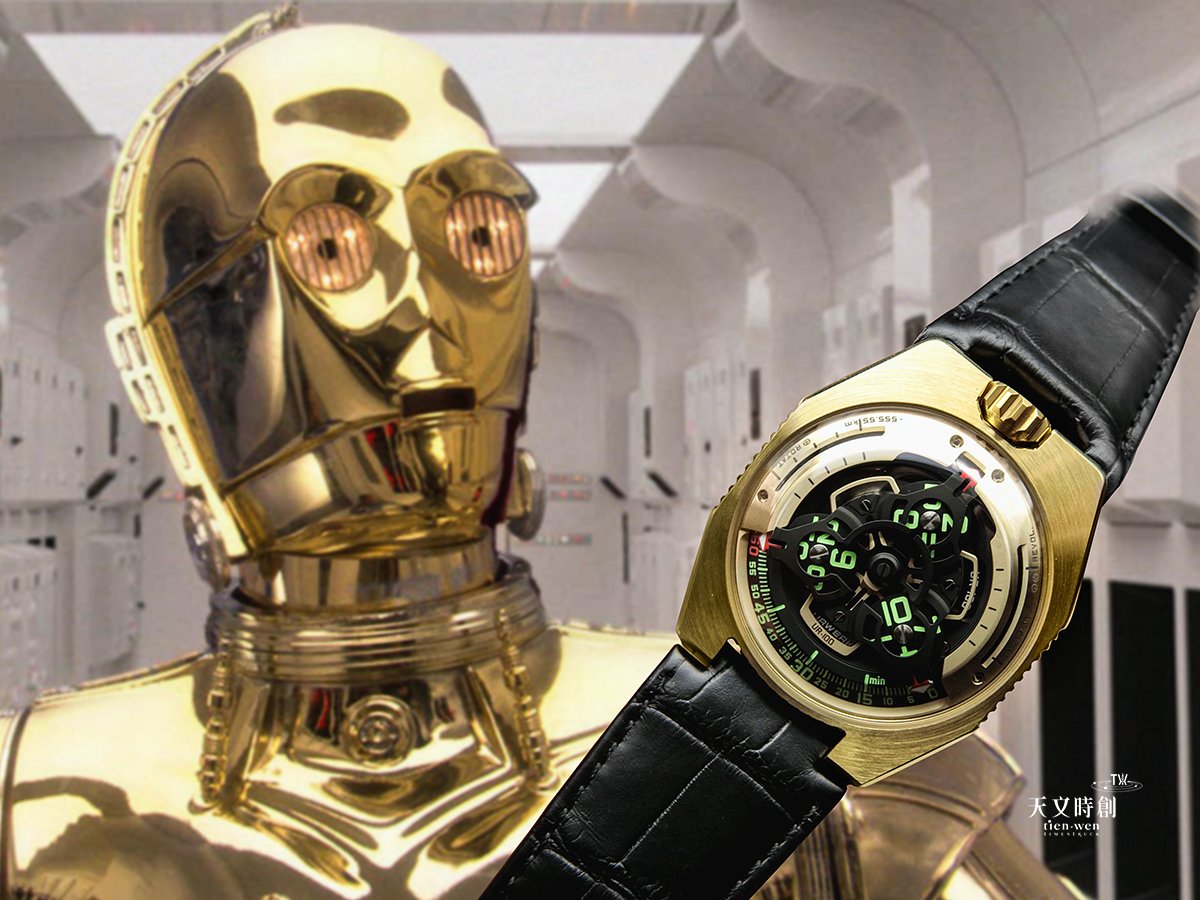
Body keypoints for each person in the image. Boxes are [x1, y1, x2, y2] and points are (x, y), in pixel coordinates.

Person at [0, 8, 1076, 898]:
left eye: (477, 234)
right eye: (331, 245)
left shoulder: (814, 784)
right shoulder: (38, 801)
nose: (425, 314)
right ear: (191, 351)